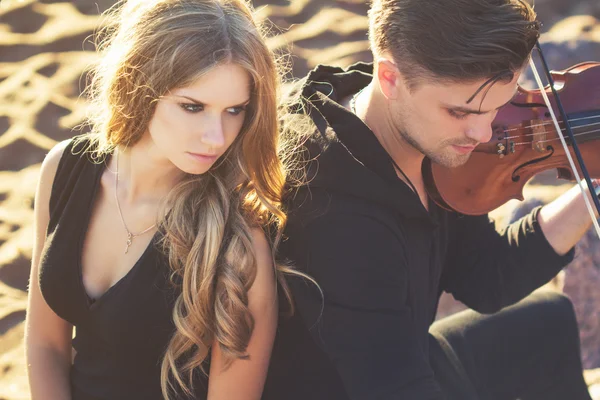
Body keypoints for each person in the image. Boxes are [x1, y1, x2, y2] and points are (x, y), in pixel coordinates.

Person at [262, 0, 599, 399]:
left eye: (494, 110)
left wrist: (589, 196)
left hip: (409, 352)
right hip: (359, 385)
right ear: (390, 78)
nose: (484, 135)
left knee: (549, 323)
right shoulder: (338, 218)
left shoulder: (423, 139)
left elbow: (486, 278)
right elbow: (397, 386)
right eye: (459, 112)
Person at [24, 0, 293, 398]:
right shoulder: (65, 168)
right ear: (140, 83)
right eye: (192, 107)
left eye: (235, 110)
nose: (216, 137)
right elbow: (45, 344)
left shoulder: (237, 243)